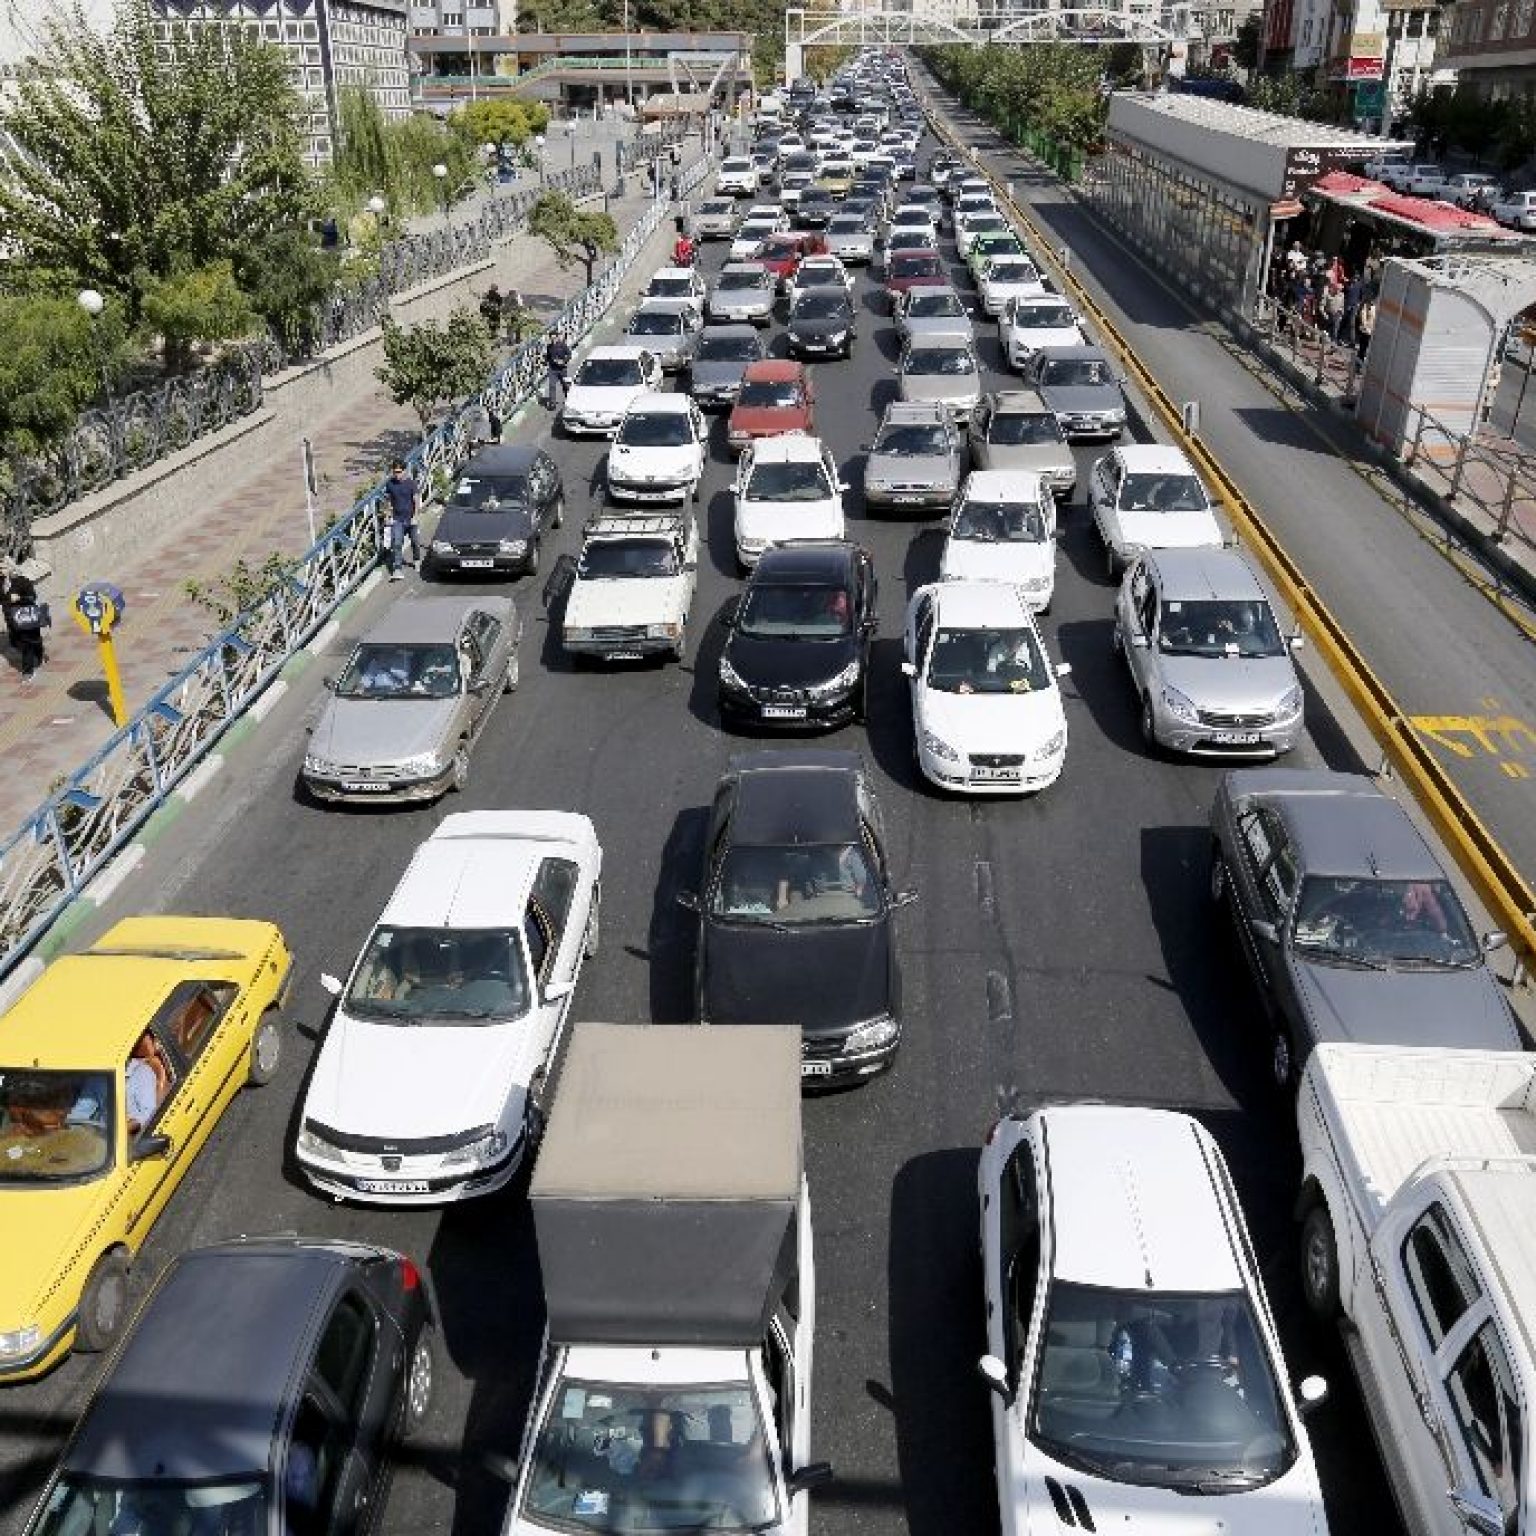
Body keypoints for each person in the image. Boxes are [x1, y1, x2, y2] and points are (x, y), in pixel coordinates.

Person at [0, 561, 47, 681]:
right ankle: (38, 649)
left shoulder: (22, 581)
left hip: (26, 618)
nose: (1, 570)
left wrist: (20, 598)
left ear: (10, 568)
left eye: (3, 567)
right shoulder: (1, 582)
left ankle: (28, 671)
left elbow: (32, 597)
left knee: (27, 644)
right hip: (11, 619)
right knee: (17, 642)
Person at [383, 460, 421, 582]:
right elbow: (389, 501)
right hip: (397, 519)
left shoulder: (411, 484)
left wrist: (415, 517)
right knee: (397, 543)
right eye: (395, 472)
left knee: (415, 541)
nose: (397, 475)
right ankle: (397, 569)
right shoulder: (390, 484)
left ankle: (417, 559)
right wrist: (388, 515)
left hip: (410, 518)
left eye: (399, 472)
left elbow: (416, 501)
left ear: (404, 471)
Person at [125, 1032, 169, 1135]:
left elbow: (149, 1114)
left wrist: (127, 1128)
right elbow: (83, 1111)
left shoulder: (141, 1073)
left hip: (132, 1135)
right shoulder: (99, 1079)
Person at [544, 330, 572, 409]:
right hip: (552, 369)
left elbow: (569, 354)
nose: (553, 340)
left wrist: (563, 361)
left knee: (565, 385)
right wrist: (545, 360)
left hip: (562, 369)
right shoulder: (549, 347)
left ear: (557, 337)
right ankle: (553, 403)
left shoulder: (563, 345)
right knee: (552, 385)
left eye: (554, 338)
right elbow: (548, 357)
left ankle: (569, 399)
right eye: (551, 338)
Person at [1356, 296, 1377, 361]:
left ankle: (1362, 361)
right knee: (1362, 348)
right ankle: (1358, 362)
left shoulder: (1377, 308)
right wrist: (1365, 326)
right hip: (1365, 331)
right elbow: (1363, 315)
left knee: (1367, 348)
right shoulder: (1367, 306)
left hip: (1372, 331)